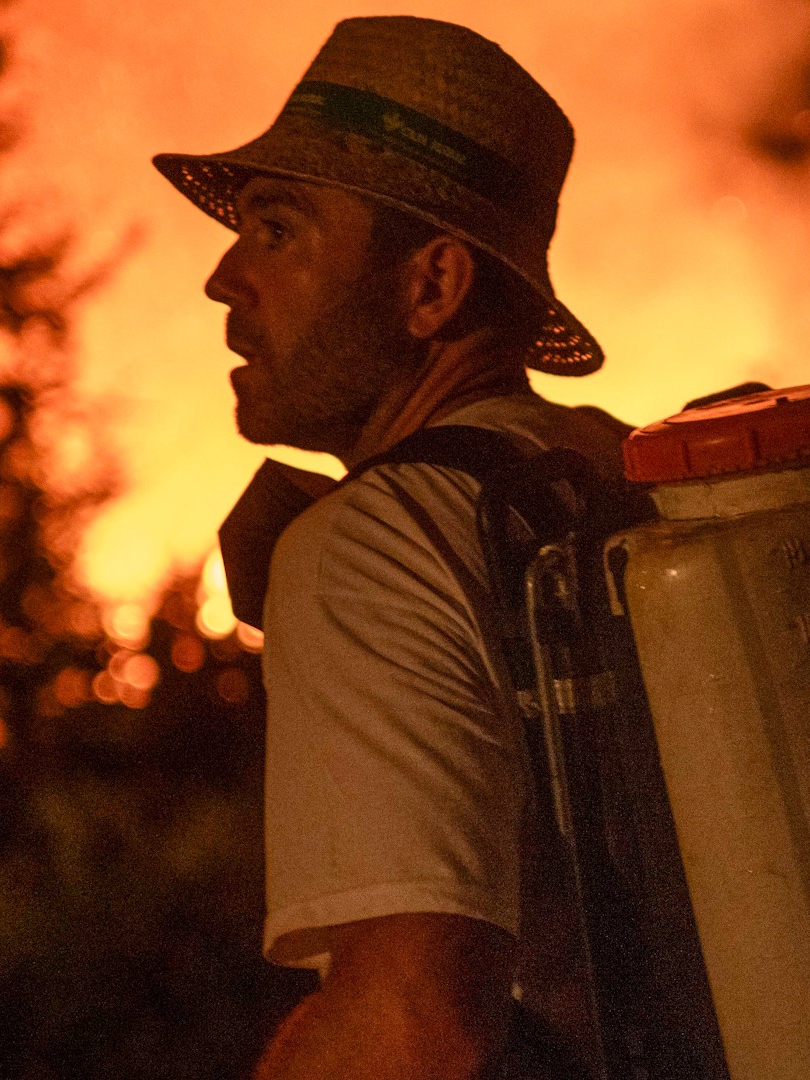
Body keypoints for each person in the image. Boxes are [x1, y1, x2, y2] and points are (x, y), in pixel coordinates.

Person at [154, 17, 627, 1079]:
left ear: (431, 286)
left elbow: (413, 1028)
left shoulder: (371, 545)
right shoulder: (611, 467)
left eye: (276, 231)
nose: (224, 279)